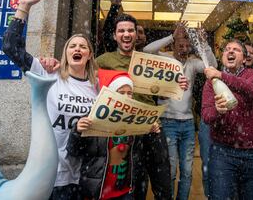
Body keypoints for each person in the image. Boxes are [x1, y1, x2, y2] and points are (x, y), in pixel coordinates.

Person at [2, 0, 98, 200]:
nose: (77, 49)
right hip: (49, 176)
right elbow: (10, 47)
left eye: (83, 47)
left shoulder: (97, 86)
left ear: (89, 55)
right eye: (72, 46)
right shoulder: (49, 75)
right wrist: (24, 6)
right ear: (65, 53)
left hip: (83, 176)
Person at [95, 14, 188, 200]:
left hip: (152, 127)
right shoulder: (103, 61)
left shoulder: (150, 60)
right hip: (125, 131)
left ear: (136, 35)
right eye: (121, 30)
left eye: (130, 30)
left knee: (163, 181)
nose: (126, 34)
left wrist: (177, 85)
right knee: (135, 183)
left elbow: (160, 93)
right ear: (114, 36)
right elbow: (86, 83)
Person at [143, 22, 217, 200]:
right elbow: (147, 51)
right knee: (171, 170)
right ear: (174, 45)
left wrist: (203, 43)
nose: (184, 48)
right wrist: (172, 36)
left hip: (188, 124)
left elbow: (212, 66)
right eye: (180, 45)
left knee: (187, 171)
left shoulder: (192, 63)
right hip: (168, 122)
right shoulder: (165, 59)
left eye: (187, 46)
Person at [66, 69, 158, 200]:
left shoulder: (136, 120)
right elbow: (74, 151)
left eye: (129, 93)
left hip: (126, 192)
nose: (126, 97)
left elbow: (143, 155)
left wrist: (151, 132)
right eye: (121, 93)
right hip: (97, 192)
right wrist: (77, 131)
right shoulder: (92, 118)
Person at [202, 39, 253, 200]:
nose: (230, 51)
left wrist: (220, 75)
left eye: (236, 50)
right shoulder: (211, 83)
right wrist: (217, 111)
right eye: (227, 49)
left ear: (245, 59)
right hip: (222, 153)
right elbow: (206, 115)